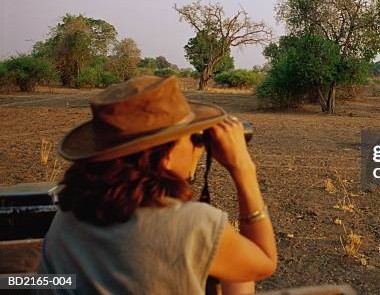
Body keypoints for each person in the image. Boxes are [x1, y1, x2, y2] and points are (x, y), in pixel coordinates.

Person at [38, 75, 277, 294]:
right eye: (194, 137)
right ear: (165, 155)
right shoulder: (194, 225)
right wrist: (244, 170)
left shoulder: (66, 217)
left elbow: (57, 281)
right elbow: (264, 263)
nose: (199, 148)